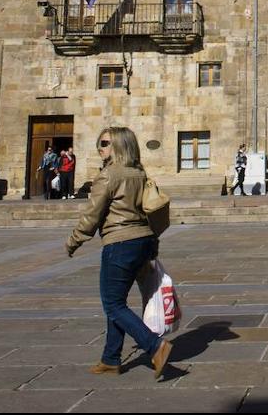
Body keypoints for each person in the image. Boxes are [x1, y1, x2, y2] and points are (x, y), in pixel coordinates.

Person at [66, 126, 172, 379]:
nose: (99, 148)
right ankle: (110, 359)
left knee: (112, 304)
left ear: (118, 146)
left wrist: (74, 240)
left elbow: (93, 214)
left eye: (104, 143)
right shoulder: (139, 173)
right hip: (143, 241)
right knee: (117, 303)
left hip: (120, 243)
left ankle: (155, 346)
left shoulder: (108, 176)